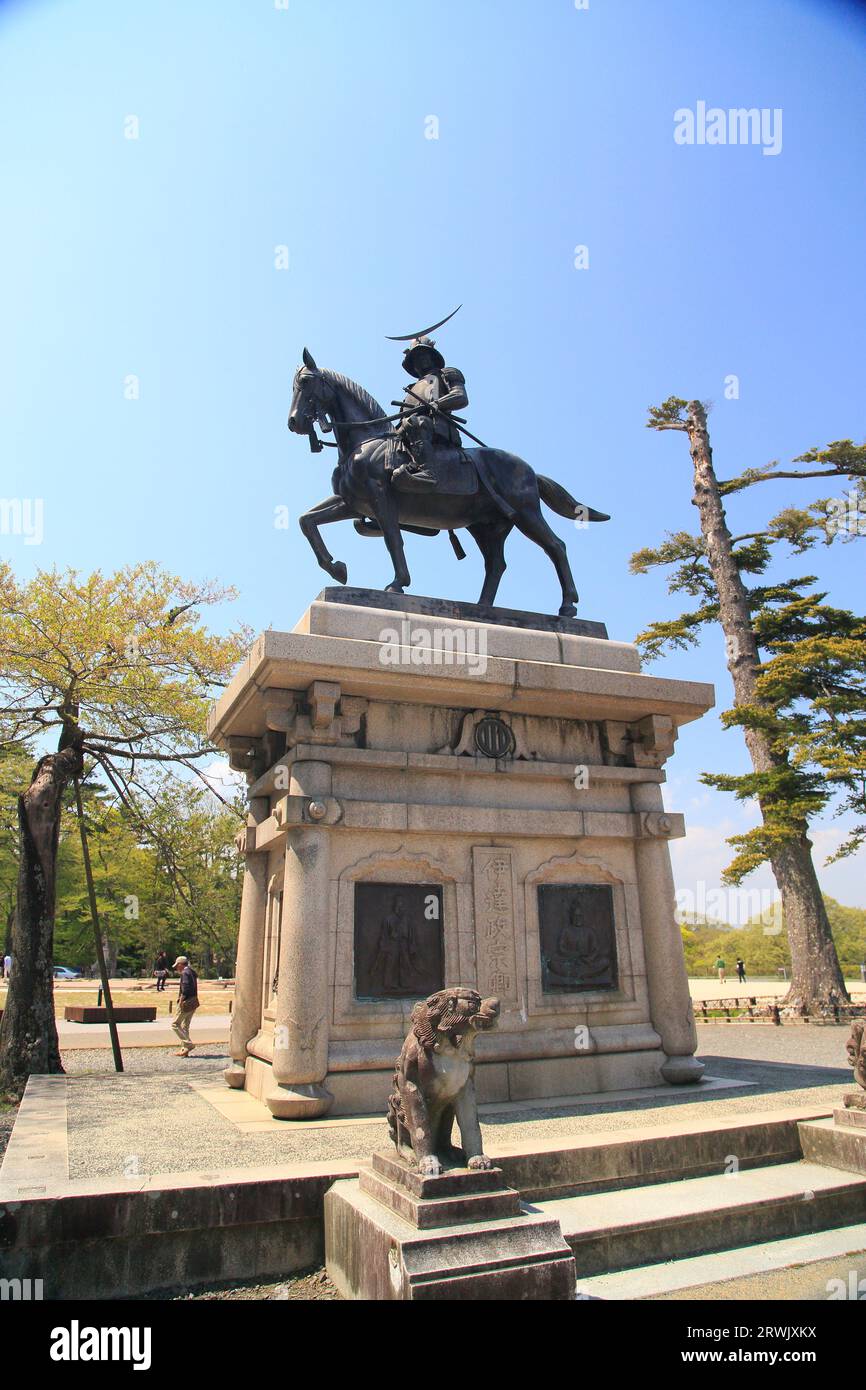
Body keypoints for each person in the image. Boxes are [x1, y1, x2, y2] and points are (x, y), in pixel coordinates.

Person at [391, 335, 468, 491]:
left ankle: (428, 472)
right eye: (416, 358)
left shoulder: (446, 373)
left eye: (424, 355)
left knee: (416, 422)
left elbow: (460, 396)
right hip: (407, 433)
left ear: (432, 357)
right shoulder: (411, 388)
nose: (420, 360)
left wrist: (436, 404)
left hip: (435, 427)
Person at [171, 955, 199, 1056]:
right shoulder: (192, 972)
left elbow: (186, 988)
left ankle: (188, 1044)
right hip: (194, 1001)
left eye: (177, 965)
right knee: (185, 1026)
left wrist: (181, 1000)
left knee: (175, 1024)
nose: (176, 968)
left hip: (186, 1002)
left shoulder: (185, 973)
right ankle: (184, 1049)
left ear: (181, 964)